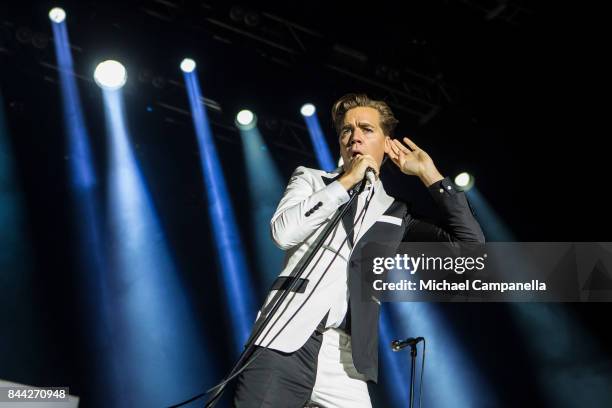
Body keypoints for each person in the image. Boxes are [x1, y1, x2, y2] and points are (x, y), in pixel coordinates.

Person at [233, 93, 485, 407]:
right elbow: (284, 233)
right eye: (346, 131)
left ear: (387, 143)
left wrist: (429, 174)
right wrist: (346, 182)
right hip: (284, 339)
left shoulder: (395, 214)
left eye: (366, 129)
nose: (355, 137)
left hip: (345, 360)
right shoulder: (312, 180)